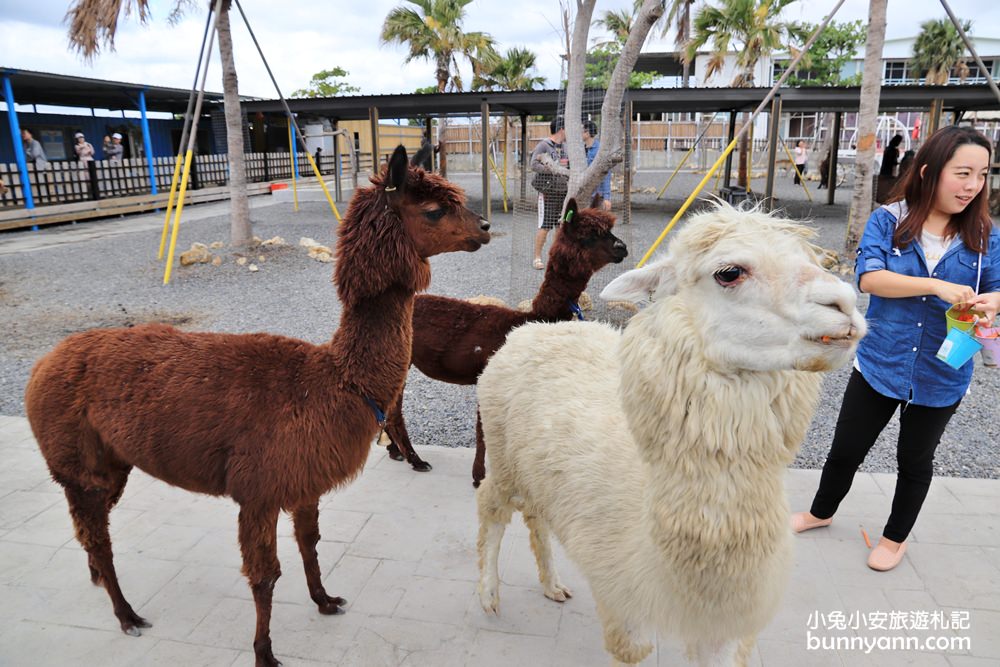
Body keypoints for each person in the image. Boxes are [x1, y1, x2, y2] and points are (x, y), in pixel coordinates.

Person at [791, 125, 1000, 572]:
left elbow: (999, 289)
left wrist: (990, 302)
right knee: (846, 447)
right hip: (880, 361)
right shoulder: (889, 219)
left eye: (982, 175)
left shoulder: (984, 234)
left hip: (943, 371)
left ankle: (894, 538)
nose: (973, 185)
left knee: (915, 459)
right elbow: (869, 279)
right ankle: (820, 512)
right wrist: (936, 286)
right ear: (928, 172)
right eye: (963, 173)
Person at [530, 117, 569, 270]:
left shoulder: (566, 147)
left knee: (561, 226)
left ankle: (556, 257)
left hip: (563, 192)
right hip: (548, 193)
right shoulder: (544, 145)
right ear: (561, 129)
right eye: (567, 129)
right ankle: (537, 257)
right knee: (545, 225)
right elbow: (533, 164)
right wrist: (552, 169)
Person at [582, 119, 612, 211]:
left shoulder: (599, 150)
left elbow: (606, 174)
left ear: (587, 133)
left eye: (581, 131)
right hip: (585, 194)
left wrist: (607, 197)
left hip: (598, 195)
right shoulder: (581, 150)